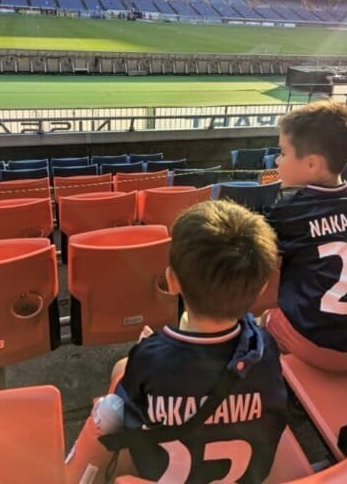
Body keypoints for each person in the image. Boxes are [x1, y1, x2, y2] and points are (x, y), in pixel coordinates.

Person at [66, 200, 287, 483]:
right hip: (247, 473)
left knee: (113, 400)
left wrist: (151, 350)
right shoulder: (265, 348)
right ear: (261, 290)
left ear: (171, 281)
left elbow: (133, 406)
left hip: (161, 472)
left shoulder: (149, 357)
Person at [264, 100, 347, 371]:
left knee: (263, 317)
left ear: (312, 165)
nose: (278, 160)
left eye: (283, 153)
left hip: (323, 348)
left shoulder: (290, 210)